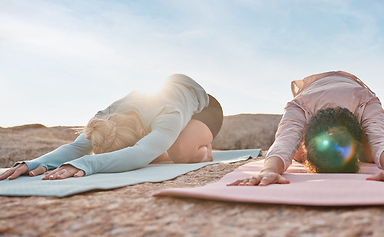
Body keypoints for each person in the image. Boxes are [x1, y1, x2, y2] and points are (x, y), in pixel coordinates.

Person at [229, 71, 384, 187]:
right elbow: (284, 141)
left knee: (372, 154)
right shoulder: (300, 106)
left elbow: (381, 137)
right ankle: (315, 151)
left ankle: (327, 150)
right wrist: (270, 170)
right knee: (294, 153)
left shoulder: (366, 102)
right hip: (316, 92)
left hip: (352, 90)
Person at [0, 74, 223, 181]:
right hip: (169, 103)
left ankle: (204, 147)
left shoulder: (168, 115)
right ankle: (165, 143)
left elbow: (139, 153)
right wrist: (36, 163)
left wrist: (88, 164)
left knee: (179, 152)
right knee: (152, 153)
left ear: (141, 134)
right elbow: (77, 147)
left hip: (204, 106)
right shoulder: (105, 118)